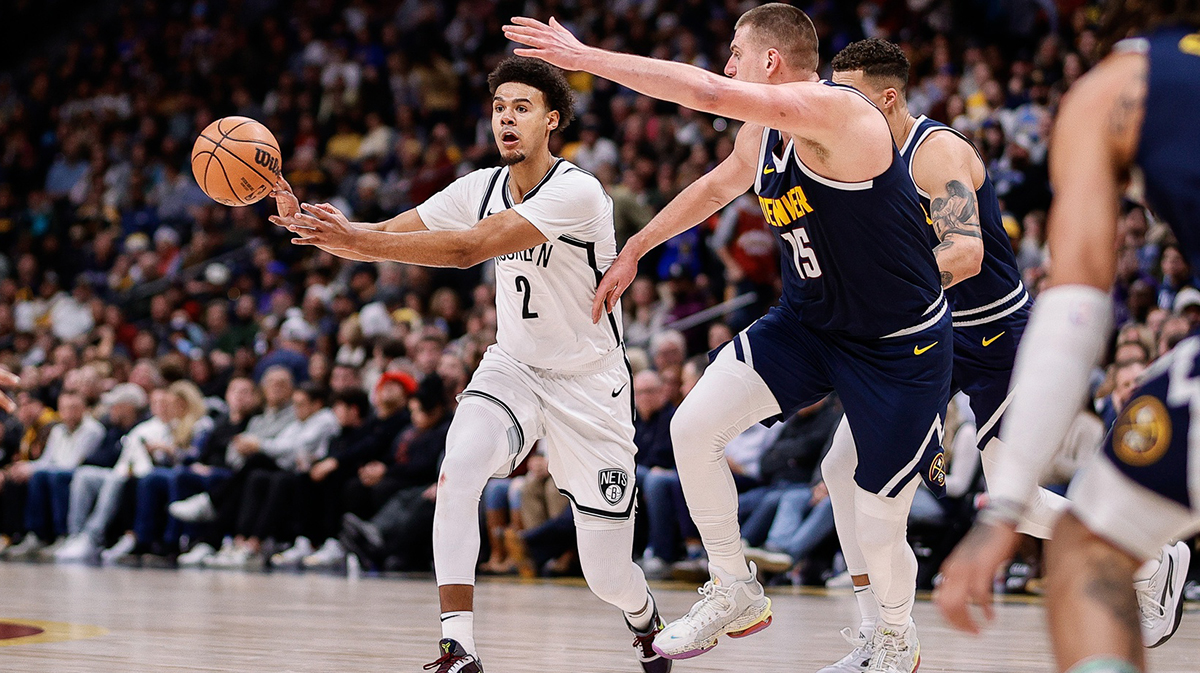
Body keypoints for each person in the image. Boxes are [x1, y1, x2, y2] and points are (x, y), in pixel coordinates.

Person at [506, 7, 950, 670]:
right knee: (693, 426)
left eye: (737, 51)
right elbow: (717, 185)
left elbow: (708, 94)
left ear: (771, 61)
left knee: (879, 520)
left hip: (897, 344)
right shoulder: (763, 134)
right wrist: (636, 246)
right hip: (809, 324)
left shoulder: (840, 113)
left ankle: (894, 637)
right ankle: (734, 585)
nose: (727, 64)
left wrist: (587, 58)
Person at [271, 56, 667, 673]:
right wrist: (337, 231)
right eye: (499, 107)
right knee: (457, 470)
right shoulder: (478, 185)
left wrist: (358, 241)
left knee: (607, 573)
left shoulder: (578, 190)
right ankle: (459, 646)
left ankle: (643, 619)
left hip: (591, 384)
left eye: (522, 108)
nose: (506, 118)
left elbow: (466, 249)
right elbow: (398, 231)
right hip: (514, 366)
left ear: (551, 121)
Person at [934, 5, 1200, 673]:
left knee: (1085, 543)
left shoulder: (1117, 87)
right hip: (954, 346)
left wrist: (1004, 517)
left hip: (989, 336)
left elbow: (1076, 306)